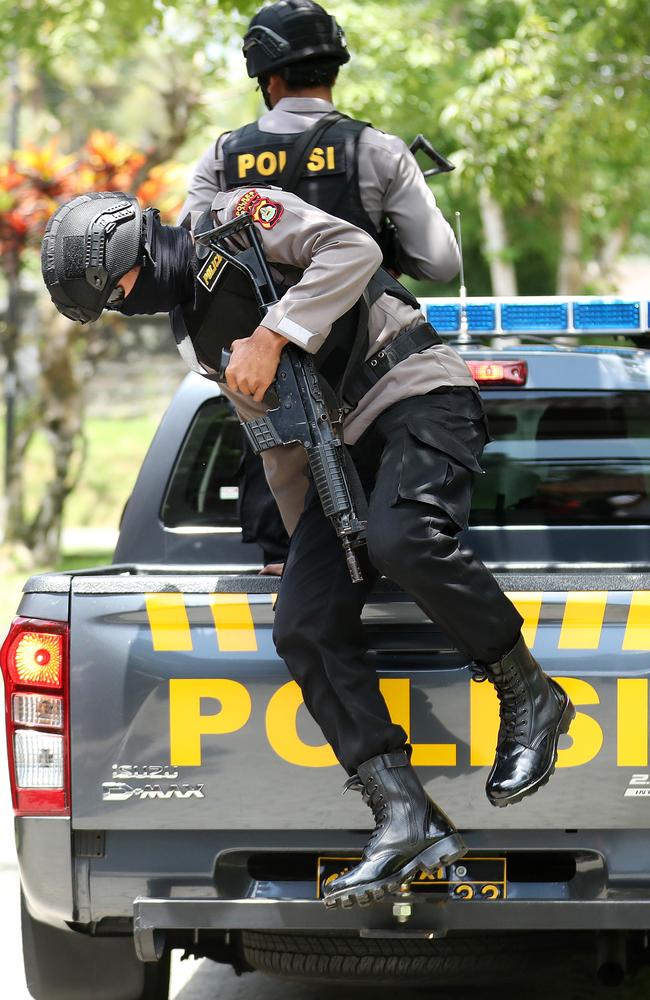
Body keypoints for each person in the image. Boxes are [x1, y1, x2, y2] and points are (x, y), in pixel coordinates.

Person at [41, 188, 575, 909]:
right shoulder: (196, 339)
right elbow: (281, 449)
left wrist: (273, 334)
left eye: (116, 292)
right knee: (303, 620)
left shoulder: (233, 217)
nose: (124, 306)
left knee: (402, 536)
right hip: (339, 451)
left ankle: (531, 694)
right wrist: (308, 555)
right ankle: (404, 812)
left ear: (125, 251)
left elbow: (354, 249)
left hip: (417, 393)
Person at [181, 0, 461, 571]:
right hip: (371, 374)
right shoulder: (376, 149)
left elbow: (192, 246)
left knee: (294, 550)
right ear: (333, 72)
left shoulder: (223, 155)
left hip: (265, 386)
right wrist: (382, 245)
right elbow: (440, 262)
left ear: (268, 79)